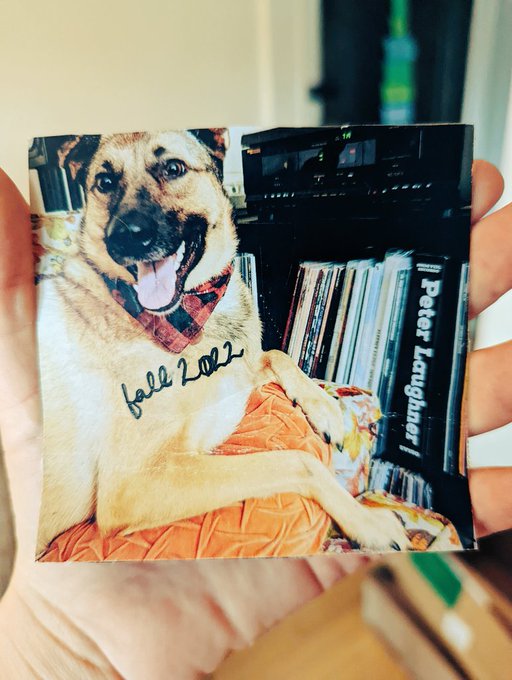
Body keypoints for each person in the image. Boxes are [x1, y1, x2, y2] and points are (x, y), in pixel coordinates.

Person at [0, 161, 510, 678]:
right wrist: (310, 479)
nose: (130, 219)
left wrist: (287, 373)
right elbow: (130, 495)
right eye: (107, 183)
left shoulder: (217, 303)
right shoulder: (95, 318)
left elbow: (224, 377)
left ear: (214, 182)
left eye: (170, 169)